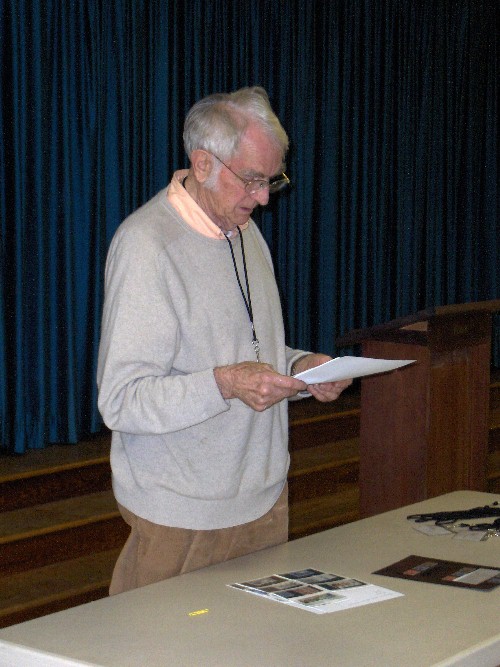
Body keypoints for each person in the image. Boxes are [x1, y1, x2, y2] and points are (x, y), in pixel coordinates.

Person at [97, 86, 351, 595]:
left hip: (264, 502)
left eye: (271, 180)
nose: (264, 198)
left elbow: (249, 351)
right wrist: (226, 384)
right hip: (181, 517)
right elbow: (122, 401)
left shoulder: (245, 232)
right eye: (252, 179)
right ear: (203, 163)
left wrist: (301, 369)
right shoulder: (146, 247)